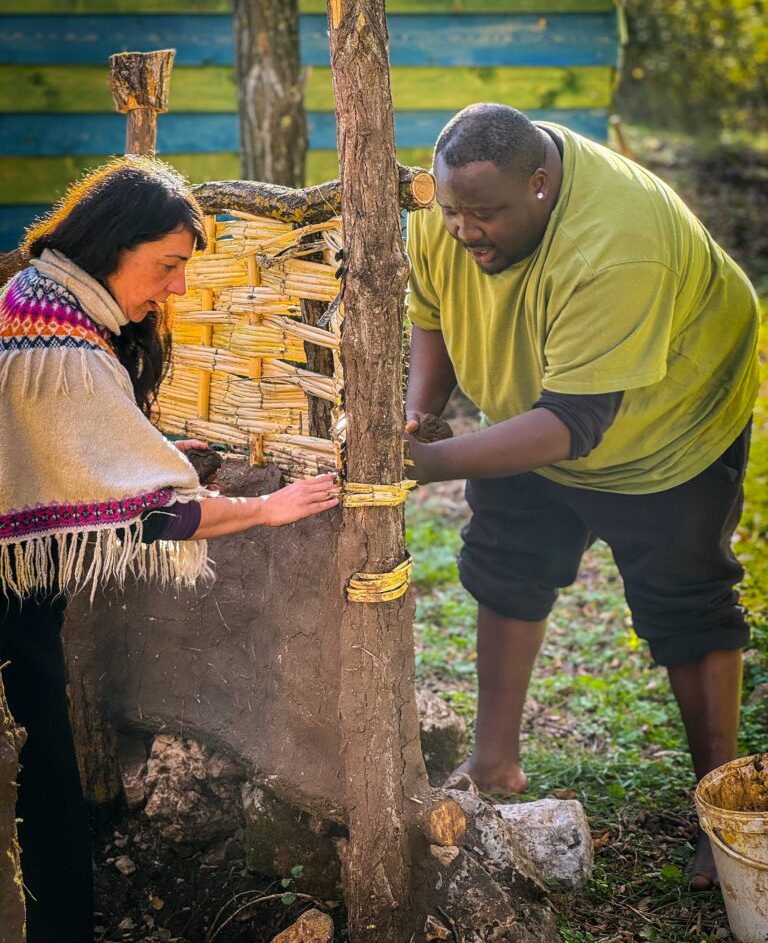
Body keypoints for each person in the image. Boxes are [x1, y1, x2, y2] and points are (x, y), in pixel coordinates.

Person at [404, 103, 760, 891]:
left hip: (670, 424)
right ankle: (493, 761)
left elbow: (575, 422)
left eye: (484, 215)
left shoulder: (617, 244)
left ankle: (722, 819)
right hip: (539, 409)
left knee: (686, 602)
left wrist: (429, 464)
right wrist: (416, 418)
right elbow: (429, 312)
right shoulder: (449, 206)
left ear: (540, 185)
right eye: (453, 212)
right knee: (505, 562)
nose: (463, 232)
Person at [0, 156, 340, 941]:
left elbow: (68, 447)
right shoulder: (62, 346)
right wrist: (265, 510)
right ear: (116, 244)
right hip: (10, 612)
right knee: (39, 778)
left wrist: (147, 445)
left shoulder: (38, 297)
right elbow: (154, 515)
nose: (179, 289)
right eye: (170, 266)